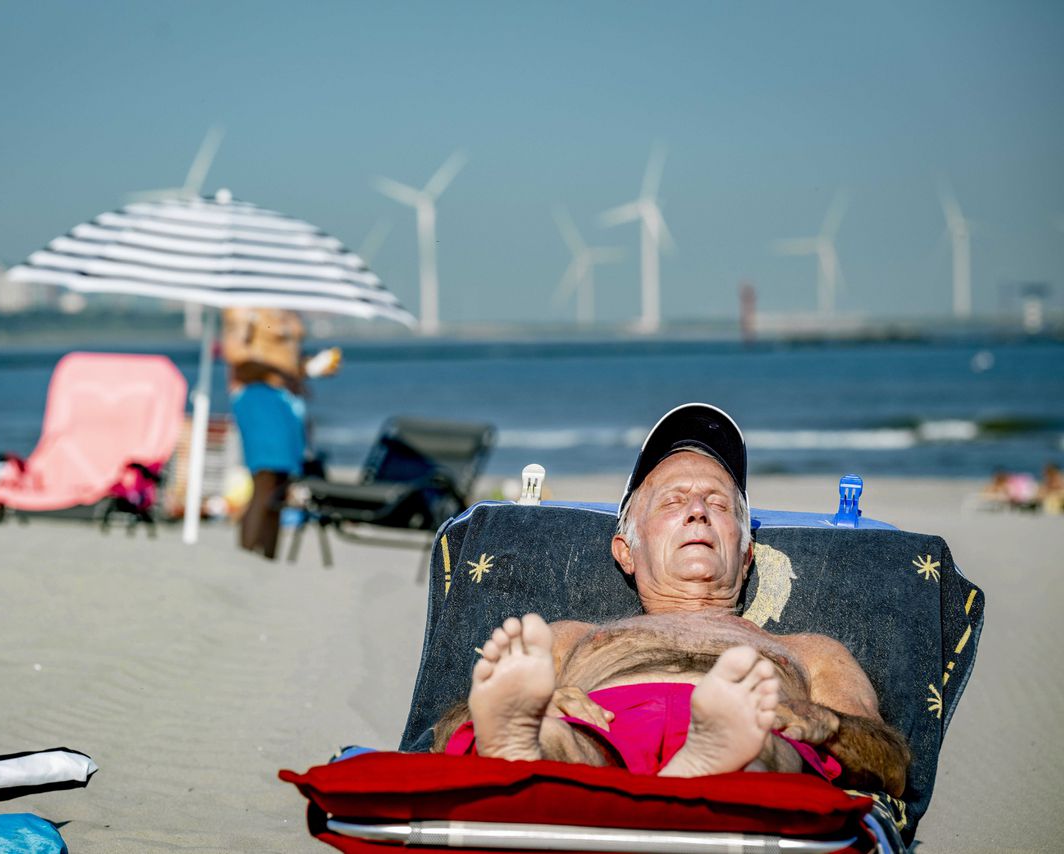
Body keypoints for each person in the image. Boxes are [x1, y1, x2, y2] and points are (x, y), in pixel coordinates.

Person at [435, 403, 910, 796]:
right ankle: (534, 748)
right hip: (602, 723)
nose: (698, 512)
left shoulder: (812, 652)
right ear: (626, 551)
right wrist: (544, 705)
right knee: (557, 736)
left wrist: (821, 723)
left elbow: (888, 761)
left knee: (765, 746)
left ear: (746, 553)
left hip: (747, 726)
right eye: (671, 502)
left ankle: (728, 764)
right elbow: (454, 724)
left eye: (719, 504)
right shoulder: (569, 640)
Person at [221, 308, 340, 559]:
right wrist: (289, 370)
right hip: (258, 397)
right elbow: (234, 353)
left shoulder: (288, 301)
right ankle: (247, 556)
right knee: (264, 478)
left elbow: (284, 357)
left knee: (281, 485)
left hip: (286, 400)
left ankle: (267, 558)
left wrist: (310, 367)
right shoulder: (246, 306)